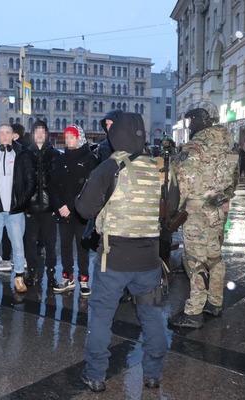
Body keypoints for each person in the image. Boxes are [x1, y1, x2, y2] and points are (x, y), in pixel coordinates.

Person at [76, 112, 169, 391]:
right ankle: (152, 374)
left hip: (112, 258)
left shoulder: (110, 167)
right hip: (149, 260)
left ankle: (96, 375)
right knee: (152, 316)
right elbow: (170, 209)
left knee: (102, 316)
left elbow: (84, 209)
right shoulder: (160, 168)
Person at [169, 103, 239, 329]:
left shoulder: (195, 147)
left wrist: (174, 213)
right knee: (215, 258)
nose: (190, 125)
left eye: (192, 120)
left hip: (196, 213)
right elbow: (234, 178)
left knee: (195, 261)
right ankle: (215, 302)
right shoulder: (228, 144)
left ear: (202, 118)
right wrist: (224, 198)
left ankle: (193, 312)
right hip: (217, 210)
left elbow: (182, 185)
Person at [0, 124, 35, 295]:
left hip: (15, 212)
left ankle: (19, 277)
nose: (4, 136)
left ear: (14, 136)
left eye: (8, 133)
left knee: (18, 246)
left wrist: (21, 202)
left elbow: (30, 182)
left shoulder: (22, 156)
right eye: (1, 133)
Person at [49, 125, 98, 296]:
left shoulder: (89, 158)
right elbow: (53, 185)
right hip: (63, 212)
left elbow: (88, 187)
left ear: (80, 138)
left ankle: (84, 279)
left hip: (80, 212)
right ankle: (67, 277)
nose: (69, 140)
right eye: (67, 137)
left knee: (81, 246)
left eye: (72, 137)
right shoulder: (61, 158)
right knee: (64, 247)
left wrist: (70, 206)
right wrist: (59, 206)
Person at [24, 120, 60, 288]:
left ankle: (51, 274)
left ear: (46, 134)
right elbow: (21, 183)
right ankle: (32, 273)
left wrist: (56, 205)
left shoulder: (54, 154)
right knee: (30, 243)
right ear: (32, 134)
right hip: (30, 206)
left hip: (49, 207)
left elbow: (59, 183)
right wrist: (23, 205)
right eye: (36, 131)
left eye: (42, 131)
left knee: (50, 244)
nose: (39, 134)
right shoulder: (25, 154)